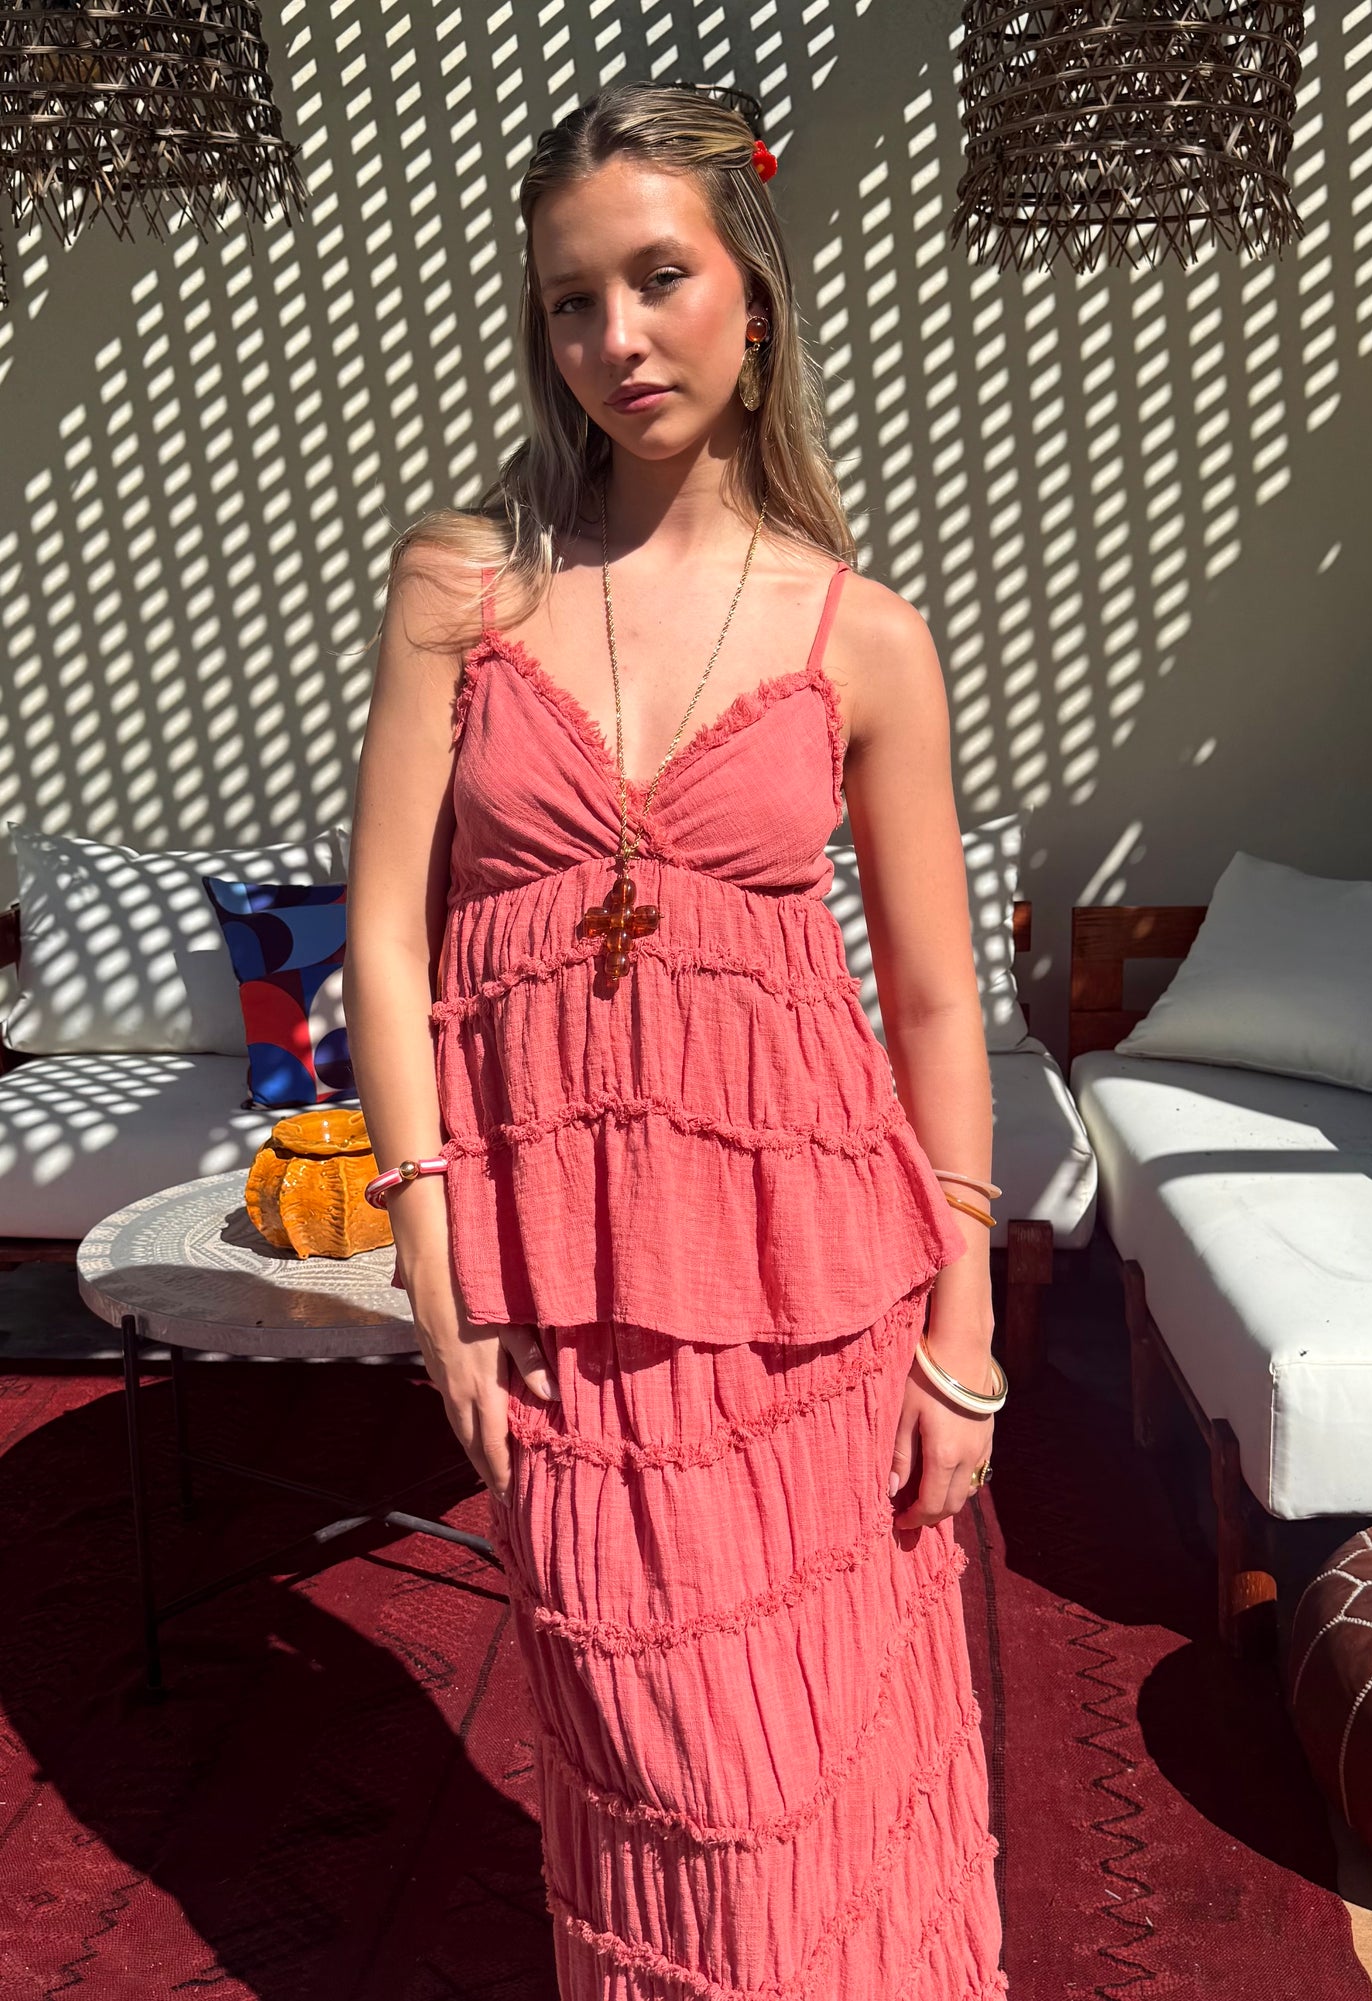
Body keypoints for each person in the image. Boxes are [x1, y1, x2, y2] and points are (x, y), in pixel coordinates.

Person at [344, 78, 1008, 2001]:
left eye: (657, 278)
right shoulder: (465, 588)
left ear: (754, 294)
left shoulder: (862, 635)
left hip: (819, 1299)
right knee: (656, 1773)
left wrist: (961, 1333)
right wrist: (438, 1269)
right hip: (558, 1289)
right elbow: (386, 933)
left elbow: (935, 998)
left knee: (816, 1769)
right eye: (570, 300)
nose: (615, 338)